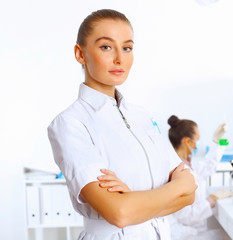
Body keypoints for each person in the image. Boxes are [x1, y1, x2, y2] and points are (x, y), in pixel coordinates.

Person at [47, 9, 197, 239]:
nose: (120, 58)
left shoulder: (142, 116)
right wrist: (176, 187)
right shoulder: (70, 124)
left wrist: (132, 198)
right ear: (80, 53)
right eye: (106, 46)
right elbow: (119, 213)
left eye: (127, 47)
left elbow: (190, 193)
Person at [166, 115, 229, 240]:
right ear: (187, 141)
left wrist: (216, 141)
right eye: (197, 139)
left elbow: (208, 167)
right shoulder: (175, 171)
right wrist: (211, 200)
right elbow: (186, 216)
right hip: (185, 234)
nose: (198, 144)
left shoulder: (188, 163)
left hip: (195, 230)